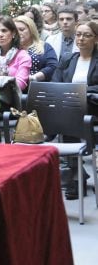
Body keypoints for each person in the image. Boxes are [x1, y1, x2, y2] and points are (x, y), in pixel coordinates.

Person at [52, 20, 98, 199]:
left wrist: (82, 91)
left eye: (87, 35)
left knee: (68, 117)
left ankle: (77, 175)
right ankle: (77, 175)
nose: (81, 39)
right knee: (67, 116)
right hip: (70, 108)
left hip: (93, 109)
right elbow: (56, 83)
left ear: (95, 39)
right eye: (78, 34)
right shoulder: (68, 59)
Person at [0, 16, 32, 93]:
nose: (0, 34)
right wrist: (6, 81)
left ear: (13, 33)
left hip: (11, 100)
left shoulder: (23, 56)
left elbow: (20, 84)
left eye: (4, 31)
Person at [14, 15, 57, 86]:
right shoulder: (11, 48)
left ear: (31, 30)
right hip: (16, 88)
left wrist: (35, 77)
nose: (18, 33)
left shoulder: (44, 46)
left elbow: (53, 66)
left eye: (22, 29)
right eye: (15, 30)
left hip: (40, 87)